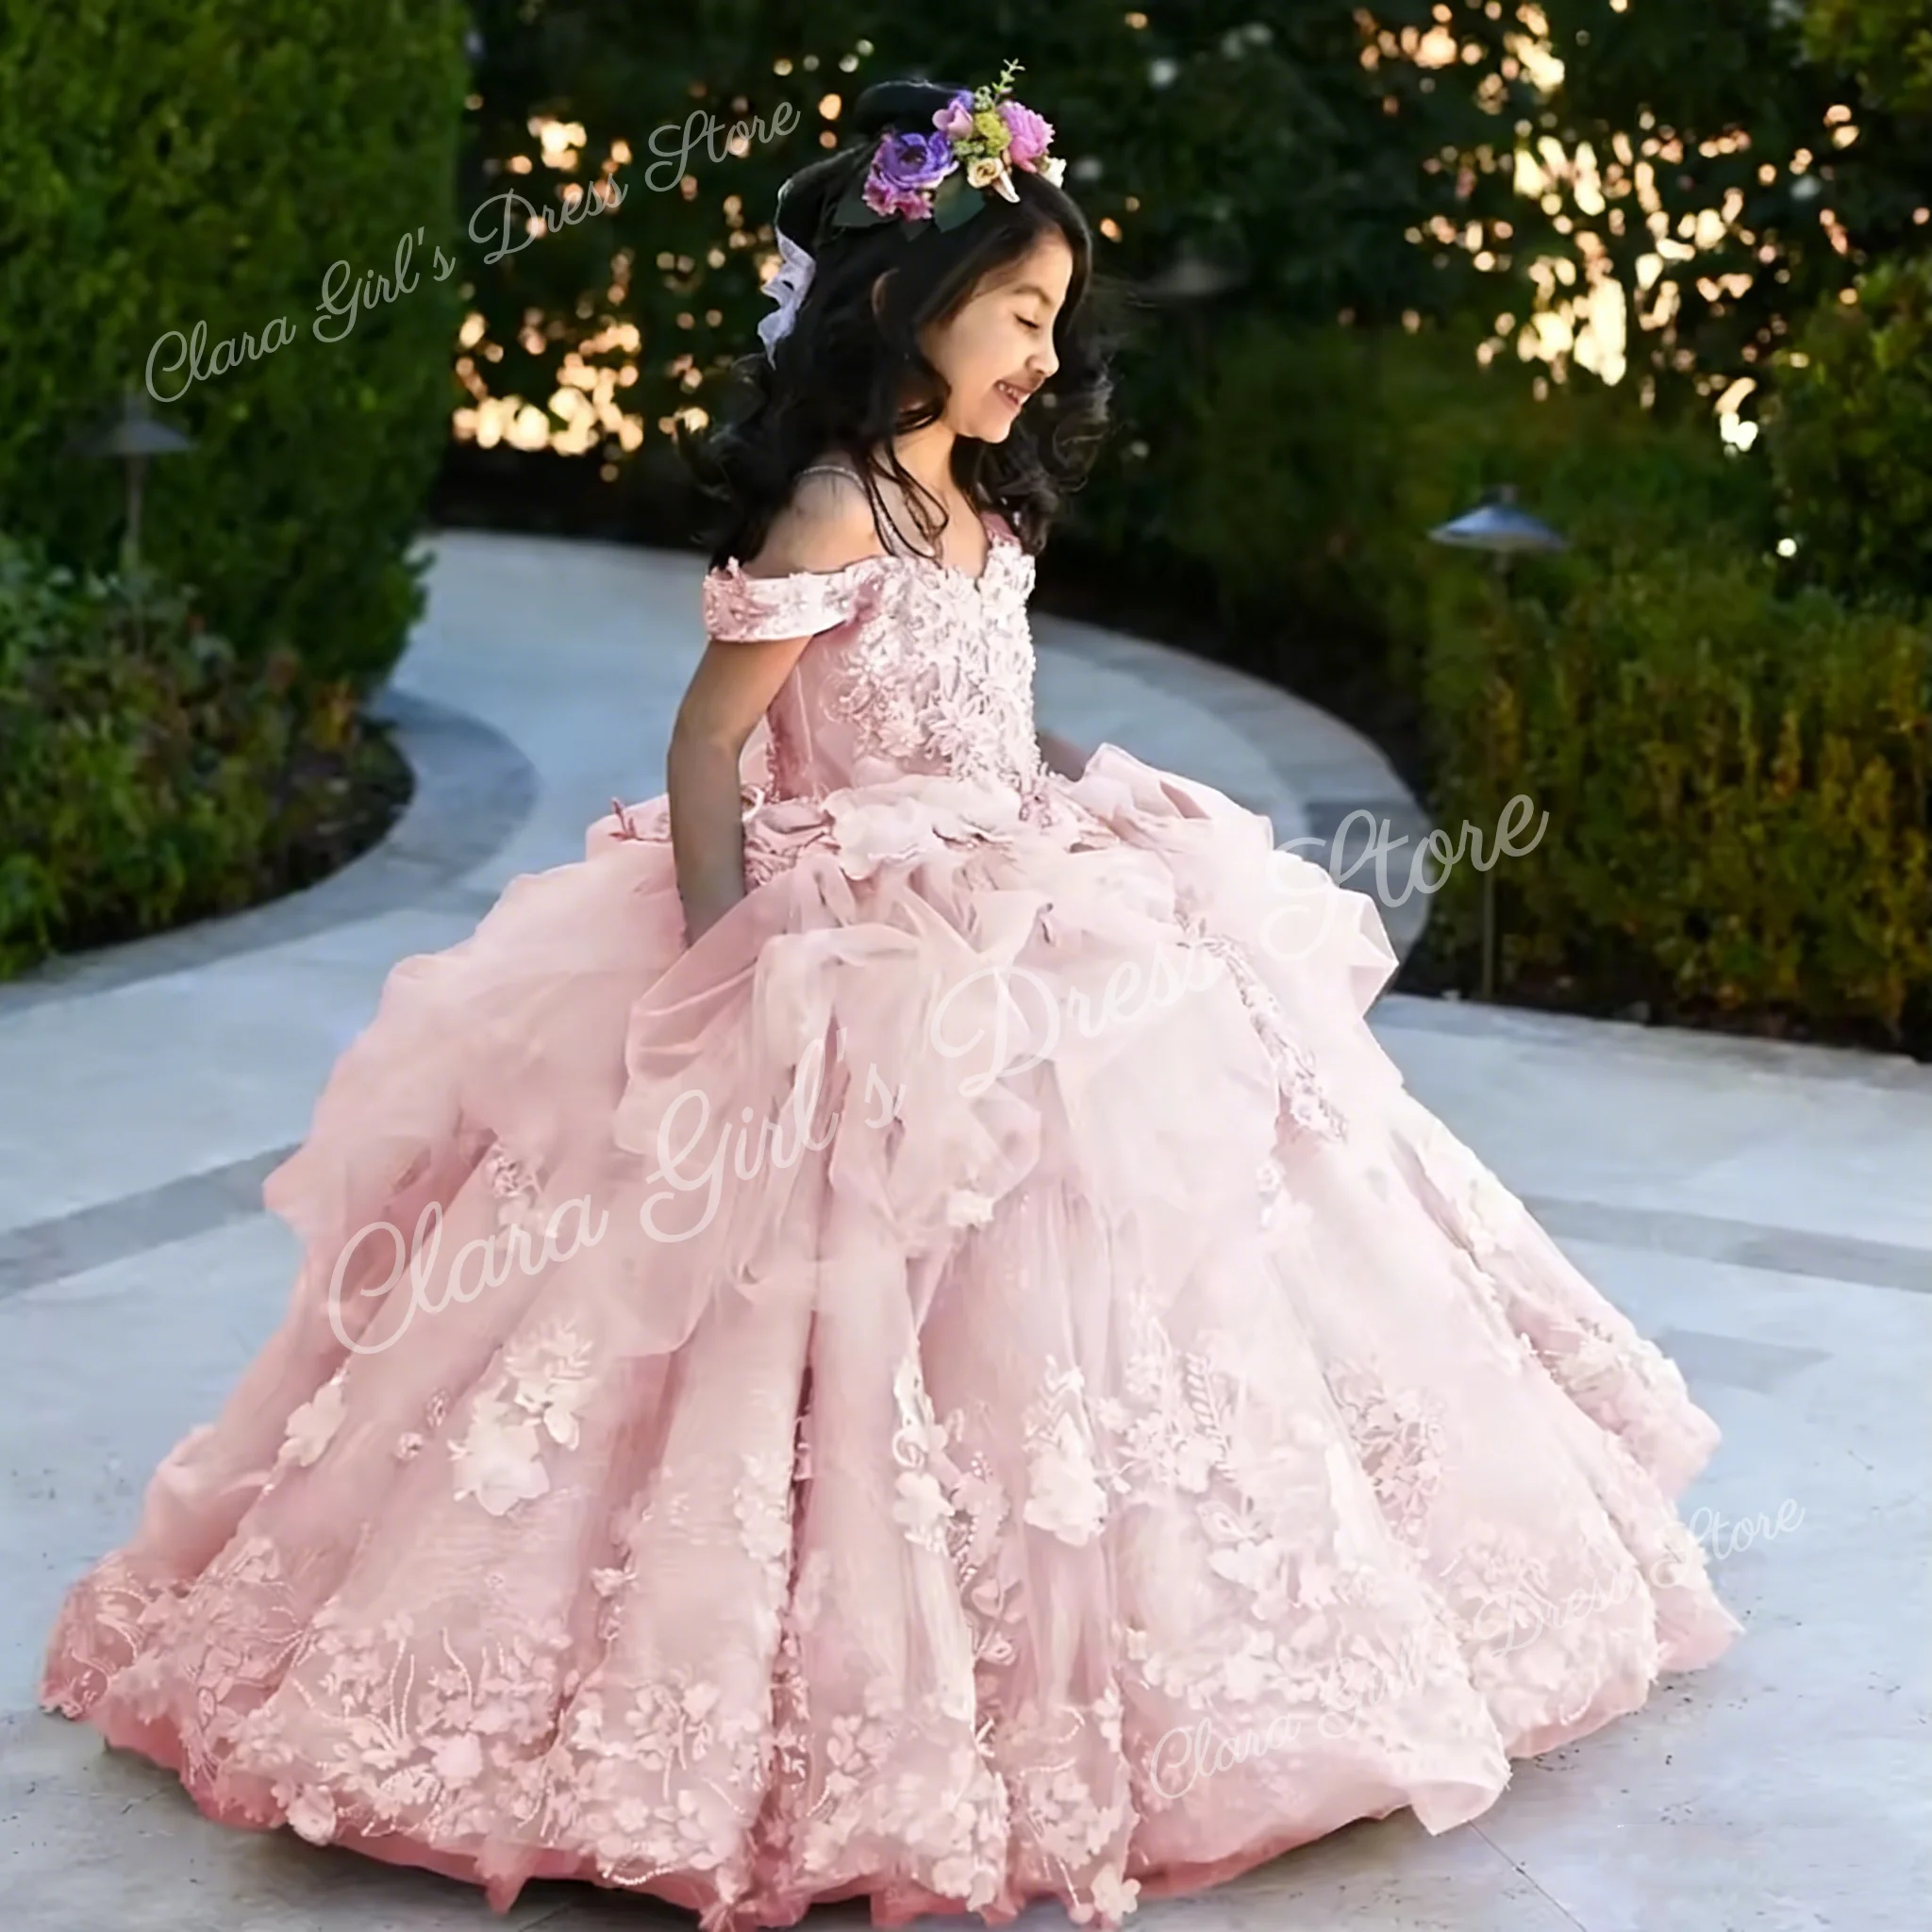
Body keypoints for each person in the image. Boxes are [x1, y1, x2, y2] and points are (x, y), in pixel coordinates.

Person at [39, 66, 1741, 1932]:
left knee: (1157, 1223)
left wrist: (1080, 793)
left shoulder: (976, 505)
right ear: (903, 304)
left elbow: (983, 710)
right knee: (785, 1299)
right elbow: (712, 751)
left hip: (1012, 884)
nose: (1043, 347)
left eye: (1057, 318)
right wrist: (718, 960)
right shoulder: (835, 510)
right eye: (1018, 311)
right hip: (834, 925)